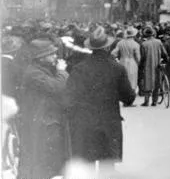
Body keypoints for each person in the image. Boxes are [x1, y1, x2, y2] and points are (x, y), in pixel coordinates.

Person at [66, 26, 136, 175]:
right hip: (109, 125)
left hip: (86, 125)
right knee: (107, 167)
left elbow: (70, 98)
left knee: (88, 167)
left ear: (91, 48)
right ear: (107, 47)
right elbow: (129, 98)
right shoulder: (117, 69)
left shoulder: (79, 69)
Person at [18, 39, 69, 179]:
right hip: (41, 124)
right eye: (52, 54)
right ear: (41, 57)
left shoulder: (40, 70)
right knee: (44, 161)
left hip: (46, 121)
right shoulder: (34, 73)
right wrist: (62, 72)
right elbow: (57, 87)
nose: (55, 56)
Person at [138, 26, 170, 106]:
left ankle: (146, 101)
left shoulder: (144, 44)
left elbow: (142, 58)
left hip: (147, 66)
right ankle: (155, 101)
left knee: (147, 82)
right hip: (157, 65)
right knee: (157, 82)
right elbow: (165, 54)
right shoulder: (158, 42)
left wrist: (140, 67)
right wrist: (165, 61)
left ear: (145, 35)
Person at [111, 26, 141, 98]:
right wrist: (138, 63)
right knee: (132, 81)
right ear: (133, 35)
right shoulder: (136, 44)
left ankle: (124, 97)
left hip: (122, 61)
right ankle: (130, 99)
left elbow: (113, 53)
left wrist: (116, 60)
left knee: (123, 80)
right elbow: (138, 57)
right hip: (132, 62)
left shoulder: (120, 43)